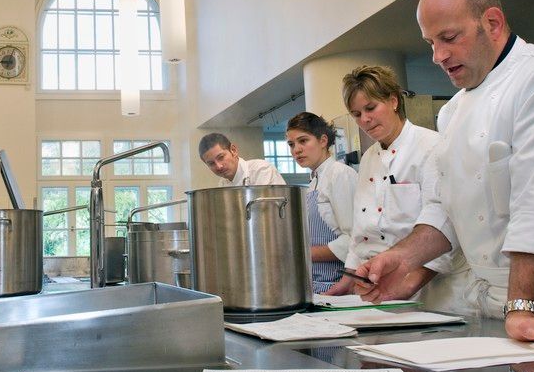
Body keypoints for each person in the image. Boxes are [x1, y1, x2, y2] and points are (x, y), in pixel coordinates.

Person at [356, 0, 534, 349]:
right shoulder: (452, 112)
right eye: (431, 43)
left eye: (449, 38)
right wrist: (401, 257)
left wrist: (524, 305)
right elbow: (443, 208)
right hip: (499, 308)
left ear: (492, 22)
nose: (437, 56)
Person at [328, 66, 463, 305]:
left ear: (392, 101)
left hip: (429, 287)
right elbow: (361, 229)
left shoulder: (432, 146)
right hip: (376, 286)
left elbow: (445, 223)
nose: (365, 119)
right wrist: (348, 279)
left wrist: (410, 283)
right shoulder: (369, 157)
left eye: (371, 108)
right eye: (356, 114)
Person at [285, 112, 358, 293]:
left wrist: (302, 254)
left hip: (338, 285)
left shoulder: (340, 175)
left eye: (303, 141)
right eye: (291, 144)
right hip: (317, 286)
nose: (296, 150)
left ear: (323, 140)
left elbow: (354, 240)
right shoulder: (314, 181)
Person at [198, 133, 285, 186]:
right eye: (211, 163)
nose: (219, 166)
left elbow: (267, 212)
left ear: (233, 150)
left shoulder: (261, 170)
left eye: (221, 157)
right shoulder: (223, 183)